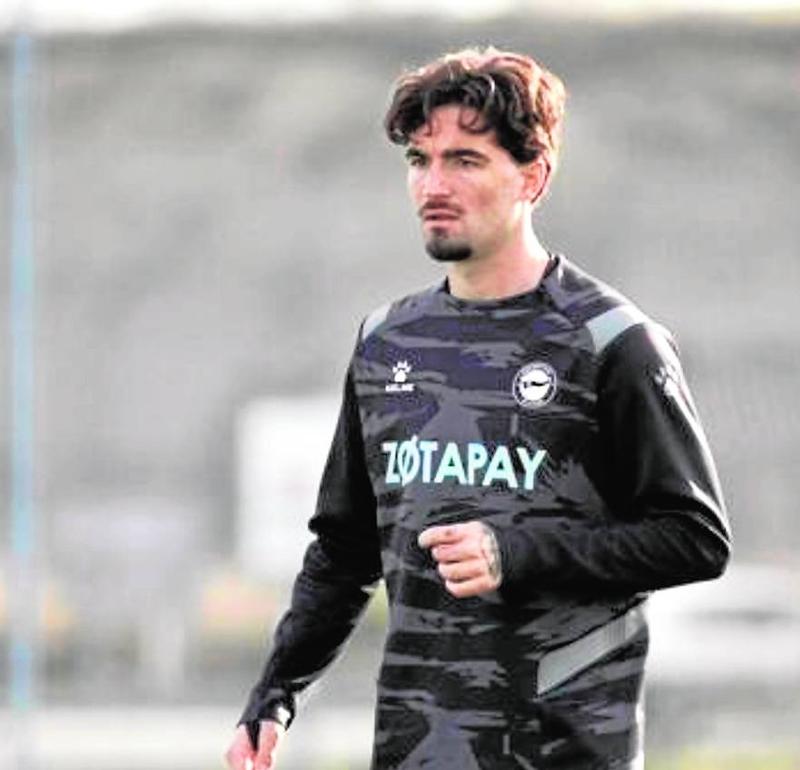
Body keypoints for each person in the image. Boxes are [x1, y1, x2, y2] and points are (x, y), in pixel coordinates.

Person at [224, 46, 731, 770]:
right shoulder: (385, 340)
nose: (434, 184)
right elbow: (345, 549)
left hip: (563, 750)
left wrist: (515, 552)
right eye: (419, 159)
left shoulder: (612, 340)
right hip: (417, 749)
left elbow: (694, 537)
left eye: (465, 160)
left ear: (533, 175)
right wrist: (277, 689)